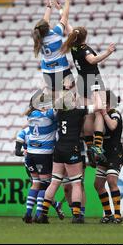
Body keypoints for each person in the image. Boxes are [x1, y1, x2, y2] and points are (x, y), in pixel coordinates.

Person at [37, 89, 97, 224]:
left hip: (58, 149)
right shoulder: (78, 112)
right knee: (76, 183)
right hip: (72, 149)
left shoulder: (59, 112)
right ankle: (76, 215)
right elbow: (97, 107)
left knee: (54, 182)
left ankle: (43, 214)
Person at [61, 27, 116, 163]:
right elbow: (92, 60)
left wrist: (61, 10)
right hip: (93, 80)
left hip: (82, 82)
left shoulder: (73, 45)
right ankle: (97, 146)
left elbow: (69, 27)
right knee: (99, 112)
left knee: (88, 113)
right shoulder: (84, 49)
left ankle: (89, 145)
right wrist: (108, 53)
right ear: (85, 37)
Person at [20, 92, 63, 223]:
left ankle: (28, 213)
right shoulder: (49, 114)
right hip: (43, 154)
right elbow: (60, 114)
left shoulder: (31, 115)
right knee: (45, 186)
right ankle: (39, 215)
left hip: (30, 154)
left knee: (35, 183)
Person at [32, 0, 75, 95]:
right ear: (47, 27)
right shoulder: (55, 33)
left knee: (56, 100)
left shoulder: (38, 35)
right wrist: (67, 0)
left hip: (47, 71)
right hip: (61, 69)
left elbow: (44, 22)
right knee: (71, 96)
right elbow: (65, 16)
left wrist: (49, 7)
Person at [94, 90, 123, 224]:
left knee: (112, 181)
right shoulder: (99, 115)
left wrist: (104, 113)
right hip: (104, 153)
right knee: (98, 184)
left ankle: (117, 214)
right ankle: (108, 214)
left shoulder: (114, 114)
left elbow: (112, 126)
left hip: (114, 153)